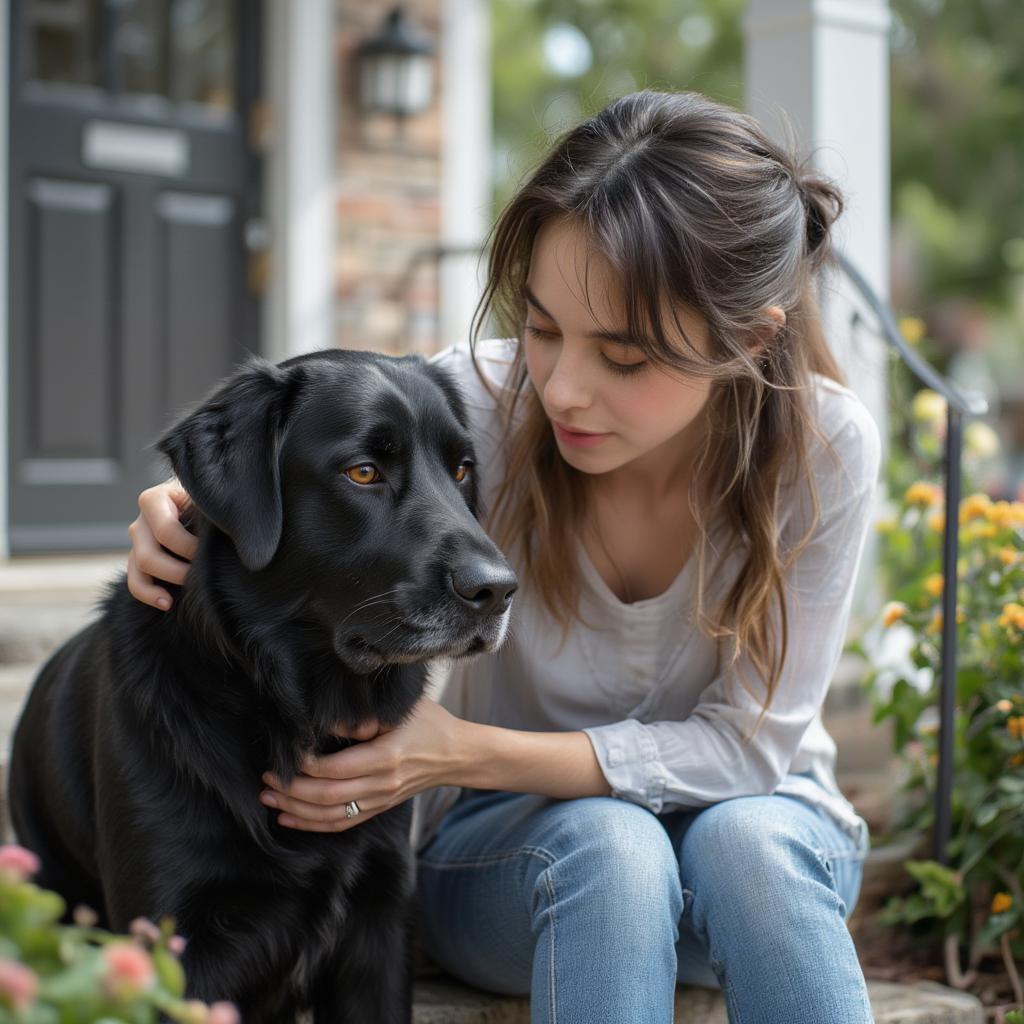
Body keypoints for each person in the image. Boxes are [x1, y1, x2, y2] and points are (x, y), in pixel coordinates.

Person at [126, 90, 880, 1024]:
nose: (562, 387)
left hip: (767, 853)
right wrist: (191, 506)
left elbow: (749, 747)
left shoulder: (823, 446)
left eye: (625, 358)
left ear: (751, 339)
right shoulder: (479, 402)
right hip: (530, 870)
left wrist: (464, 751)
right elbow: (307, 441)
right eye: (542, 325)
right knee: (614, 850)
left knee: (749, 845)